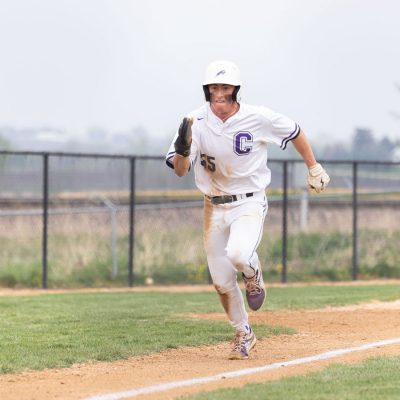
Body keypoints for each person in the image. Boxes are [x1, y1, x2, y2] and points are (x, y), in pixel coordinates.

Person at [165, 60, 330, 360]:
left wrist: (313, 166)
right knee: (221, 281)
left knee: (239, 254)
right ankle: (244, 333)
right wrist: (182, 150)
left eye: (225, 87)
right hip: (212, 206)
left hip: (249, 201)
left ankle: (253, 275)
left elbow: (295, 131)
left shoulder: (258, 117)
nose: (219, 93)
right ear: (207, 90)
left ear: (236, 90)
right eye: (214, 87)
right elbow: (179, 171)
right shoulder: (193, 121)